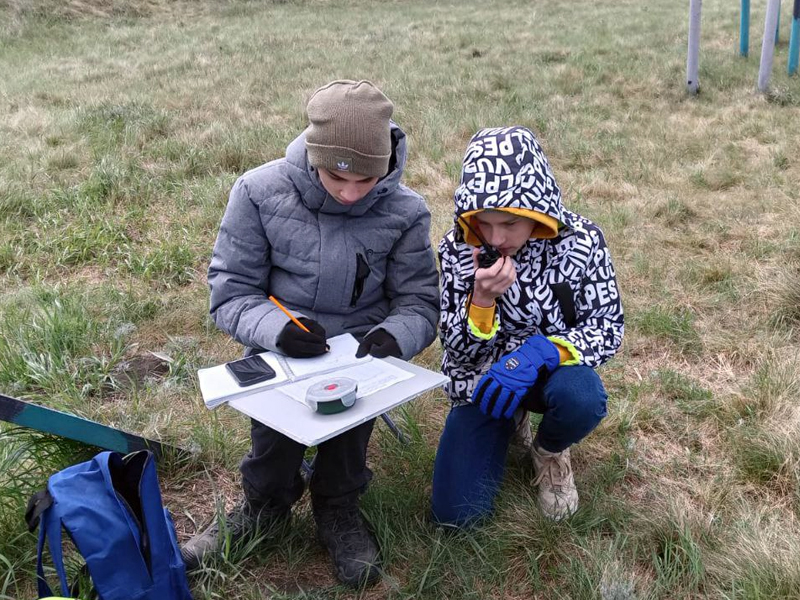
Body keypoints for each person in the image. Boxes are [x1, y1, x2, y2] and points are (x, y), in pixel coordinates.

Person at [182, 80, 439, 587]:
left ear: (386, 164)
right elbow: (231, 291)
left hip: (361, 359)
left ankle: (338, 508)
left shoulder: (406, 212)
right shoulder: (257, 192)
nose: (349, 193)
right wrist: (277, 329)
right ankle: (263, 505)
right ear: (314, 156)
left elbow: (419, 301)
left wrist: (395, 336)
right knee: (274, 438)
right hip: (282, 354)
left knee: (348, 435)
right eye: (335, 178)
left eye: (366, 180)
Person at [431, 126, 623, 526]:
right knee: (456, 518)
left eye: (510, 224)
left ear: (537, 212)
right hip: (485, 379)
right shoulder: (457, 249)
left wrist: (542, 352)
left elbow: (607, 325)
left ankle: (550, 449)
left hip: (554, 373)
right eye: (485, 223)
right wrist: (481, 302)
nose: (496, 238)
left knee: (581, 398)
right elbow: (455, 351)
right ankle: (509, 419)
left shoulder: (583, 241)